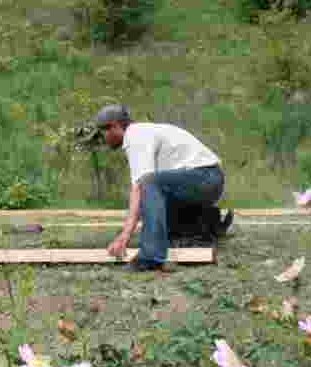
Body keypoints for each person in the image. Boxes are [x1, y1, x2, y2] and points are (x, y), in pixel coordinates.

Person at [94, 104, 225, 273]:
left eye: (104, 131)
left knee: (150, 184)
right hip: (208, 180)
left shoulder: (135, 137)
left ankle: (151, 256)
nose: (104, 137)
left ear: (115, 126)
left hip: (205, 178)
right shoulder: (143, 132)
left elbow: (140, 188)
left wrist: (124, 236)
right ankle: (202, 224)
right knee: (154, 193)